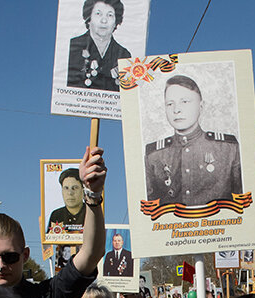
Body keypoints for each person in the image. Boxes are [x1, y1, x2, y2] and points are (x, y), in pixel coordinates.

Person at [0, 145, 106, 298]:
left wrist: (92, 195)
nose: (1, 265)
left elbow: (91, 254)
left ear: (25, 255)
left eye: (9, 257)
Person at [145, 75, 242, 206]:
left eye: (184, 102)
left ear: (201, 106)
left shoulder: (228, 148)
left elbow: (242, 200)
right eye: (170, 104)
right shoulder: (154, 155)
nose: (176, 110)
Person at [67, 0, 131, 91]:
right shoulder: (72, 47)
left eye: (110, 15)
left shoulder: (124, 55)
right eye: (98, 14)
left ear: (116, 21)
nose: (104, 20)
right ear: (89, 19)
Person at [48, 167, 86, 233]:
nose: (70, 193)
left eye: (75, 188)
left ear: (83, 190)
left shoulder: (90, 213)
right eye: (66, 188)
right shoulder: (56, 215)